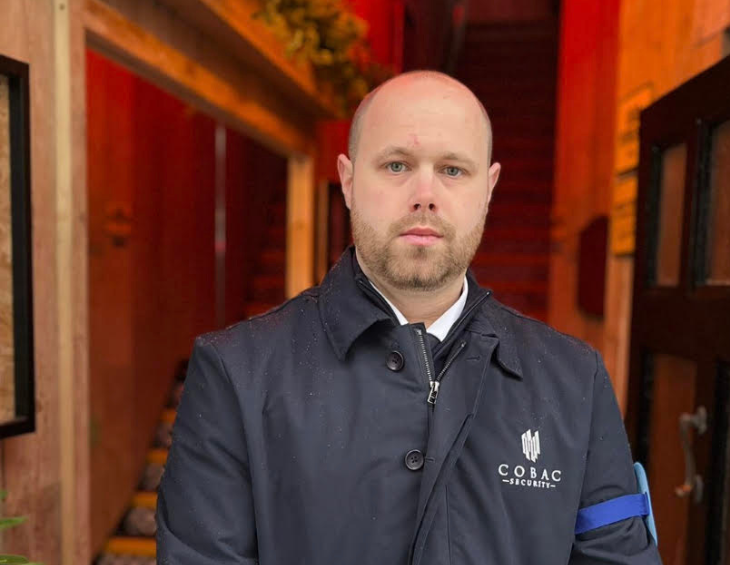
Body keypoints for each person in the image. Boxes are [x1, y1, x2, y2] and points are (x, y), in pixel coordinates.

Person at [156, 70, 661, 565]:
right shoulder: (236, 374)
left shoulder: (573, 380)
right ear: (349, 182)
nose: (425, 194)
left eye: (453, 170)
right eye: (397, 165)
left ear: (488, 188)